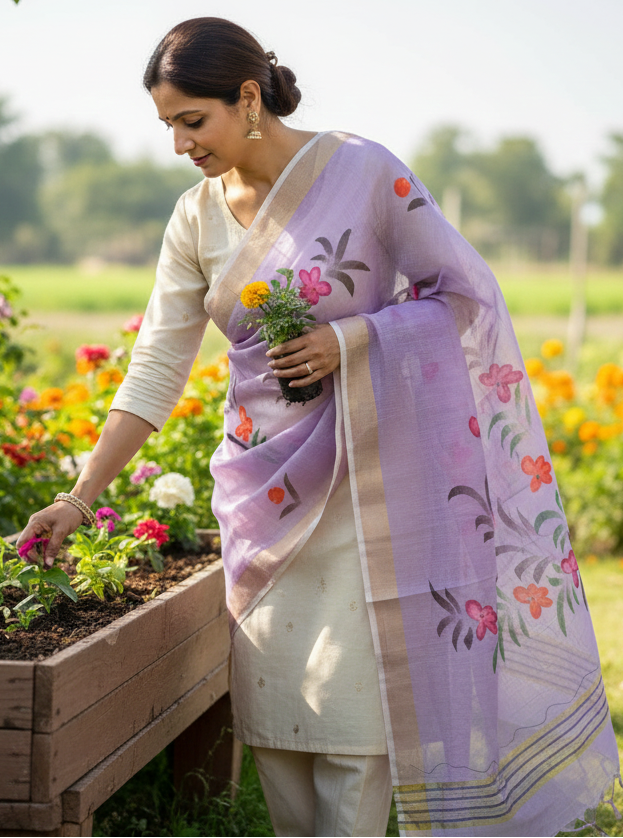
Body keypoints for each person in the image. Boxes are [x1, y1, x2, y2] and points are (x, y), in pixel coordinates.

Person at [17, 17, 620, 838]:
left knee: (355, 732)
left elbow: (462, 295)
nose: (179, 145)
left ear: (248, 96)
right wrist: (81, 498)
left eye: (192, 121)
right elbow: (155, 368)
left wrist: (350, 338)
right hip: (261, 499)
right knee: (279, 728)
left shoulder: (362, 173)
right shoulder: (194, 219)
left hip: (372, 489)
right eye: (167, 127)